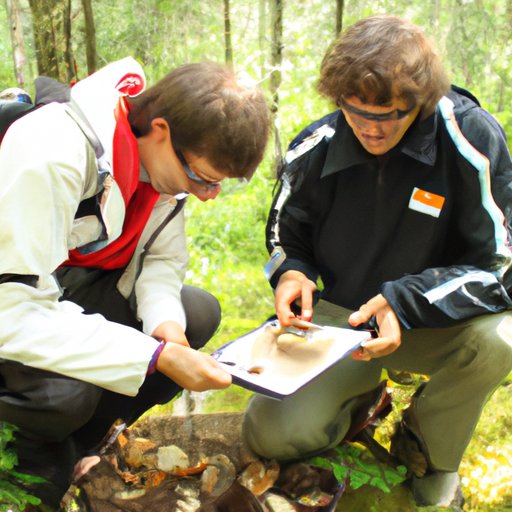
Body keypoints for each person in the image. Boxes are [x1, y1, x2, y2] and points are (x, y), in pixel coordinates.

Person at [242, 15, 512, 509]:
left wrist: (404, 302)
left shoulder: (469, 138)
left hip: (432, 321)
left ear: (420, 101)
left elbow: (501, 265)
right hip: (341, 324)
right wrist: (292, 273)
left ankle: (425, 442)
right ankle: (363, 398)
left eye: (389, 113)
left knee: (503, 338)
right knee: (268, 436)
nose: (370, 126)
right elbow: (285, 233)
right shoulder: (316, 146)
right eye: (355, 109)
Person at [0, 57, 270, 508]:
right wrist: (155, 356)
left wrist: (169, 333)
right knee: (66, 394)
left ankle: (77, 450)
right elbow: (13, 311)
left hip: (59, 287)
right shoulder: (54, 152)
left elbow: (160, 263)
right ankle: (24, 469)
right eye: (203, 178)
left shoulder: (160, 172)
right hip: (13, 298)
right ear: (161, 130)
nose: (206, 195)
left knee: (197, 312)